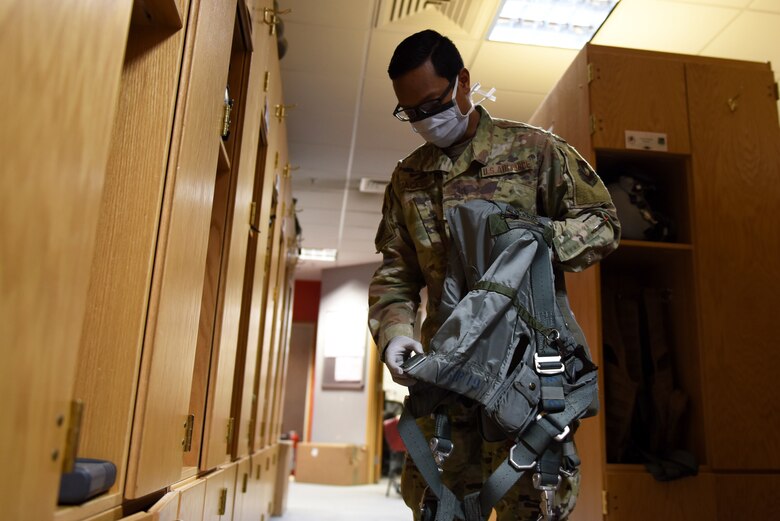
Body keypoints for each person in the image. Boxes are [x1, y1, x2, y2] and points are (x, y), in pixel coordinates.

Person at [368, 29, 620, 520]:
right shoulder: (408, 178)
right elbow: (396, 273)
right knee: (437, 507)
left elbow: (604, 224)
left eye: (432, 103)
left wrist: (538, 240)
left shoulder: (533, 152)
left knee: (534, 507)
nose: (425, 121)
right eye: (411, 113)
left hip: (524, 379)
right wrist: (394, 334)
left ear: (462, 82)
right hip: (446, 381)